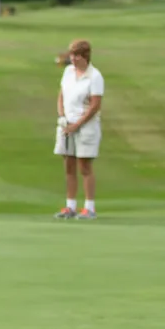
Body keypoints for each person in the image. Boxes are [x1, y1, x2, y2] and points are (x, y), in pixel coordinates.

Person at [53, 39, 105, 219]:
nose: (72, 59)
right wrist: (62, 117)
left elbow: (94, 106)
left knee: (84, 167)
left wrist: (77, 124)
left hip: (86, 127)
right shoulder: (68, 72)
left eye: (76, 56)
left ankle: (89, 208)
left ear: (85, 56)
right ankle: (70, 206)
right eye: (72, 55)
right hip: (66, 126)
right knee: (68, 165)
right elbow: (61, 96)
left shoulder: (95, 76)